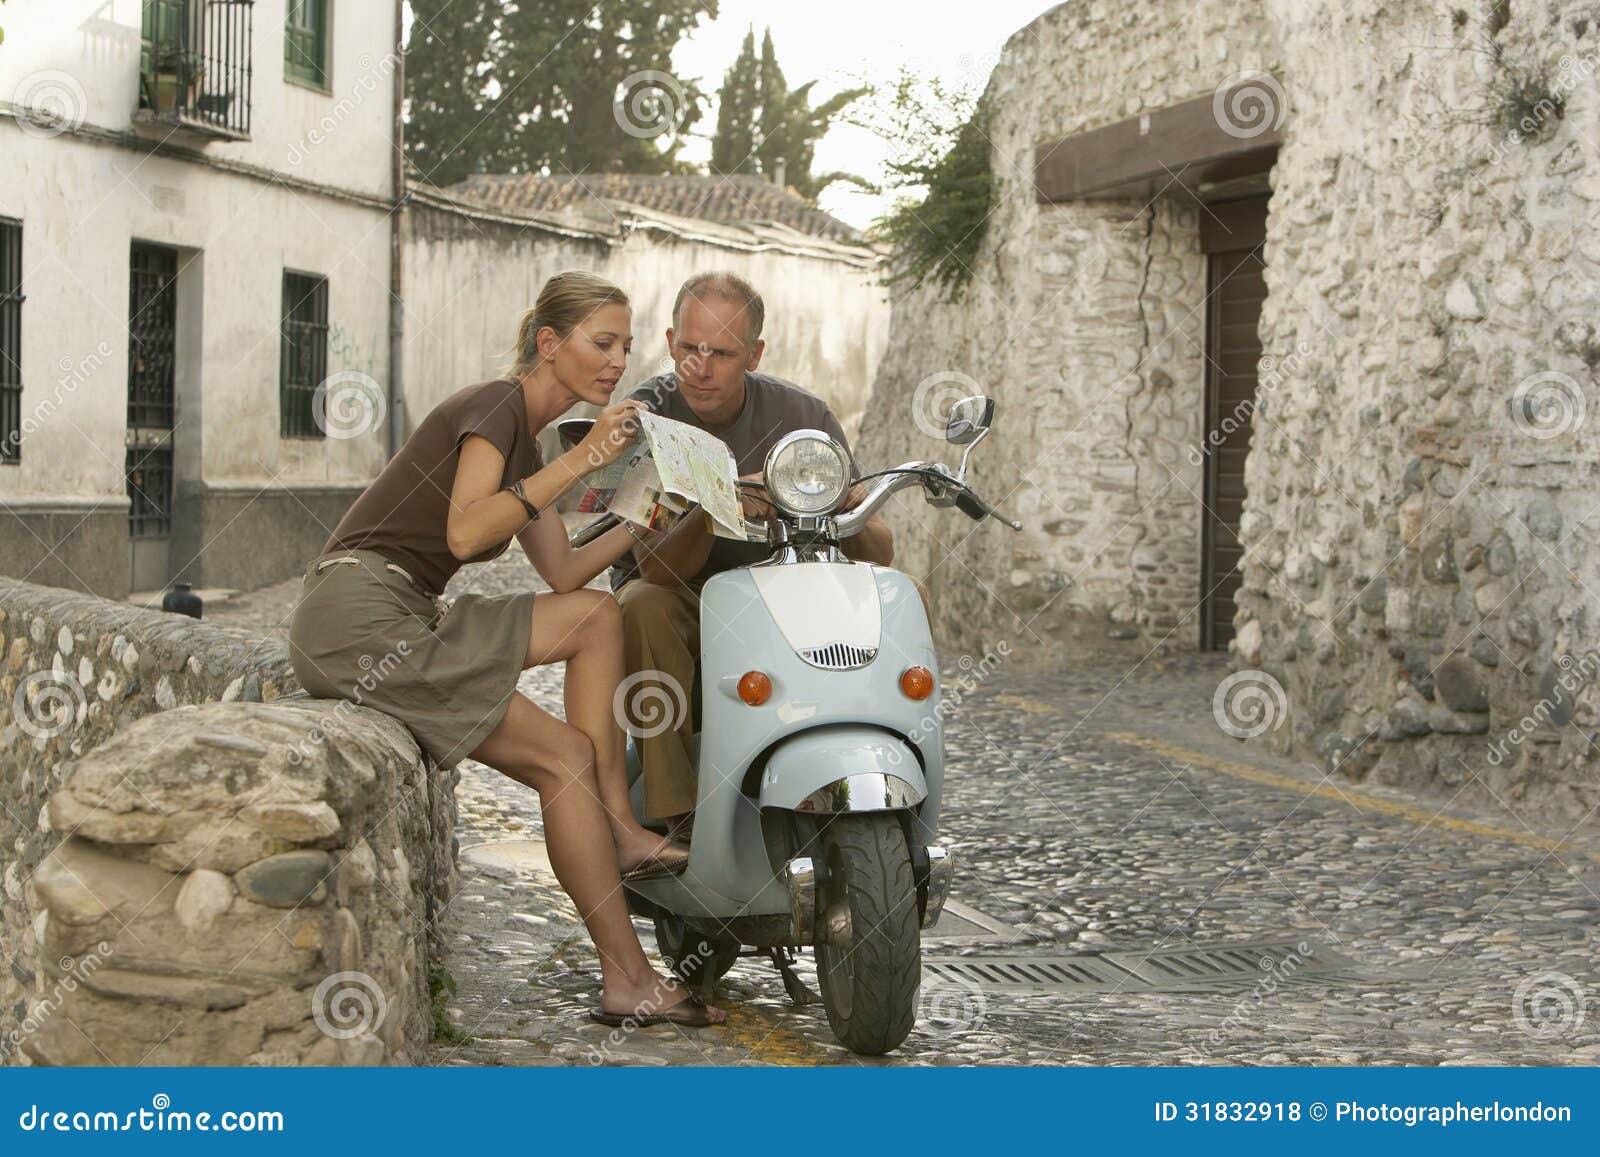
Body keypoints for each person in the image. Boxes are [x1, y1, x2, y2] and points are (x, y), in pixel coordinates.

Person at [288, 270, 725, 1028]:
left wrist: (655, 514)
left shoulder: (530, 438)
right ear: (548, 344)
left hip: (402, 610)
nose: (618, 361)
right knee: (563, 757)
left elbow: (563, 571)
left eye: (625, 344)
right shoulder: (496, 406)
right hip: (357, 617)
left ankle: (619, 826)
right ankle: (628, 976)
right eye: (601, 342)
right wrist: (586, 459)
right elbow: (466, 530)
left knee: (595, 617)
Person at [613, 271, 895, 839]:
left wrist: (844, 502)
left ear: (755, 354)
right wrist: (720, 500)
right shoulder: (643, 418)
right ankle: (679, 819)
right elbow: (656, 567)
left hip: (782, 597)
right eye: (689, 349)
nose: (701, 366)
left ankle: (875, 767)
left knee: (895, 595)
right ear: (669, 343)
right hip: (683, 598)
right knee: (643, 603)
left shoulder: (803, 417)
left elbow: (881, 554)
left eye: (722, 352)